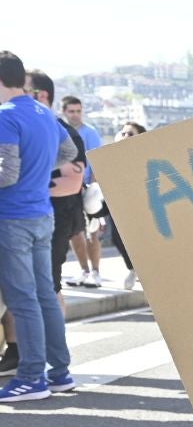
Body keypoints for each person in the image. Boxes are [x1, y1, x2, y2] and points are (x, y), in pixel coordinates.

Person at [0, 52, 77, 402]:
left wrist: (27, 170)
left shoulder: (5, 117)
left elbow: (7, 174)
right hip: (41, 214)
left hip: (13, 216)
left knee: (23, 299)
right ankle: (59, 372)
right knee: (45, 295)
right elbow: (68, 152)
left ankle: (31, 377)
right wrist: (39, 169)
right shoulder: (43, 112)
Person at [27, 73, 87, 305]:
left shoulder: (63, 133)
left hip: (56, 219)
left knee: (50, 286)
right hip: (34, 218)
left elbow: (72, 182)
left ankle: (55, 342)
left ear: (41, 96)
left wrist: (26, 187)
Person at [60, 96, 104, 288]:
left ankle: (95, 272)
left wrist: (93, 190)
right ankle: (84, 270)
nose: (76, 115)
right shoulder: (60, 131)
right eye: (72, 111)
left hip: (88, 190)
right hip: (70, 190)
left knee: (92, 233)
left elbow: (98, 162)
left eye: (78, 111)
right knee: (75, 233)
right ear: (64, 112)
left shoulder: (90, 133)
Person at [105, 122, 144, 289]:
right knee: (117, 237)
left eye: (131, 134)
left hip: (139, 207)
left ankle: (143, 271)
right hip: (117, 206)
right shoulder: (110, 158)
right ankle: (133, 268)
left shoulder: (143, 157)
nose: (126, 137)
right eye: (124, 133)